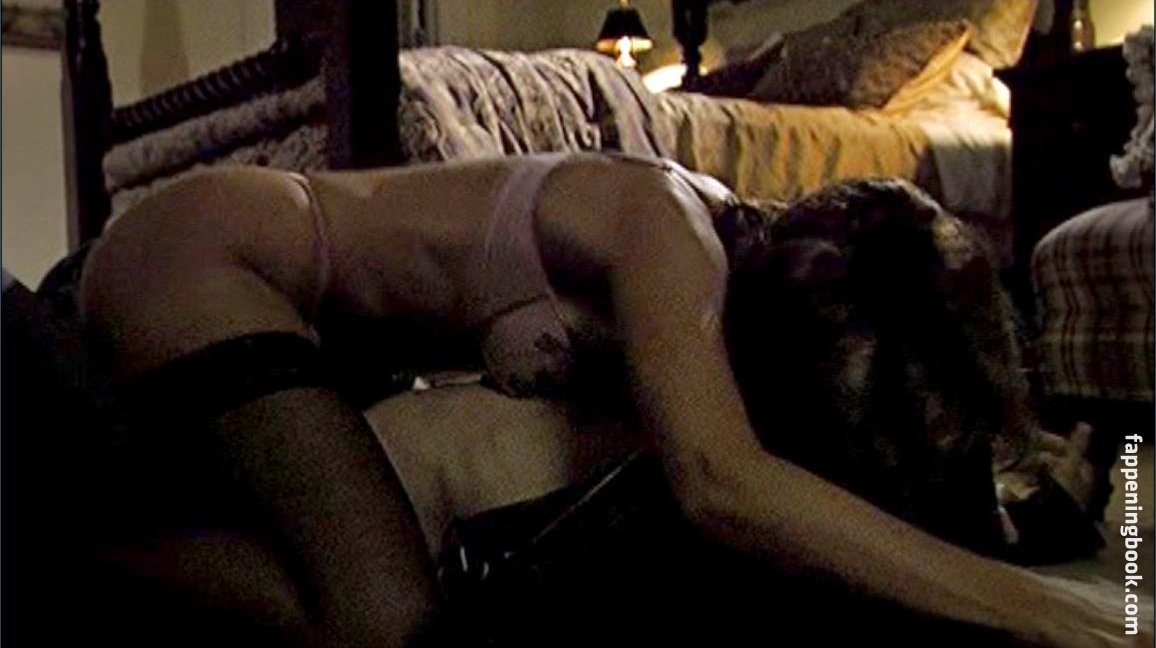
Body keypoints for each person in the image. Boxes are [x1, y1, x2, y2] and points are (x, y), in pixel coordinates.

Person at [75, 152, 1146, 647]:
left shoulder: (734, 283)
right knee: (384, 619)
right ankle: (51, 552)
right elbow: (721, 483)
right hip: (209, 258)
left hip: (289, 316)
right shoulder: (673, 234)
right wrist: (1055, 617)